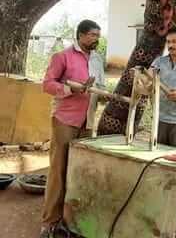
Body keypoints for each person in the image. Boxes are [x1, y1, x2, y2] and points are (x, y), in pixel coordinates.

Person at [40, 20, 105, 238]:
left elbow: (100, 87)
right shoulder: (63, 56)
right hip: (65, 120)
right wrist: (70, 88)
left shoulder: (97, 59)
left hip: (87, 121)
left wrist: (102, 95)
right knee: (58, 170)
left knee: (79, 172)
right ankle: (49, 222)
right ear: (80, 35)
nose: (97, 39)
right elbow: (47, 84)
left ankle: (73, 221)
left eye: (98, 35)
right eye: (93, 35)